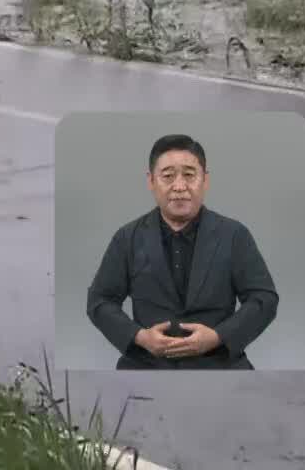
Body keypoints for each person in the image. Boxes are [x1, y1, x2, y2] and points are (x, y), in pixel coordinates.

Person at [86, 133, 279, 369]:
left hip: (219, 364)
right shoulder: (128, 238)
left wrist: (218, 337)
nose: (179, 186)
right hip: (147, 364)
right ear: (151, 181)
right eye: (167, 176)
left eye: (189, 175)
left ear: (205, 180)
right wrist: (140, 337)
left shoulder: (234, 235)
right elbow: (99, 300)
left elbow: (264, 299)